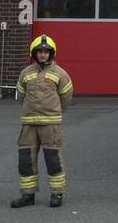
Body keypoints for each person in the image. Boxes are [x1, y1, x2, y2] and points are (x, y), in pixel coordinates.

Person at [11, 34, 74, 208]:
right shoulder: (26, 73)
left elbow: (66, 97)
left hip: (50, 124)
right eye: (39, 52)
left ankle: (57, 194)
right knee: (26, 159)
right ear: (34, 53)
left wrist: (55, 111)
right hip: (29, 124)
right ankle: (27, 195)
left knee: (53, 159)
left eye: (46, 52)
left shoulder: (59, 73)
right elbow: (21, 95)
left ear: (52, 53)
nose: (43, 55)